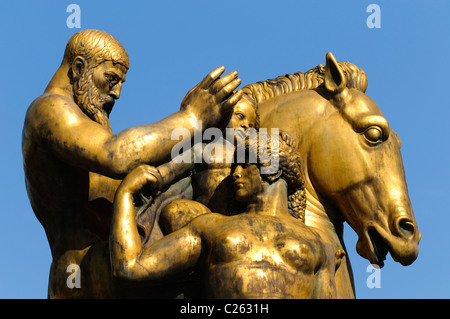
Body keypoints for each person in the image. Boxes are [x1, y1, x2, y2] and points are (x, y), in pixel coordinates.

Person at [22, 29, 244, 298]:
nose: (116, 93)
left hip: (111, 257)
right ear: (79, 67)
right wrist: (191, 118)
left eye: (120, 83)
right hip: (82, 272)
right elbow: (117, 155)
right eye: (111, 79)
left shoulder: (92, 120)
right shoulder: (49, 110)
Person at [110, 131, 345, 298]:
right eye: (234, 167)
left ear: (272, 170)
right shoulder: (210, 227)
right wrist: (125, 195)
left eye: (245, 164)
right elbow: (131, 267)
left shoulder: (318, 242)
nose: (235, 173)